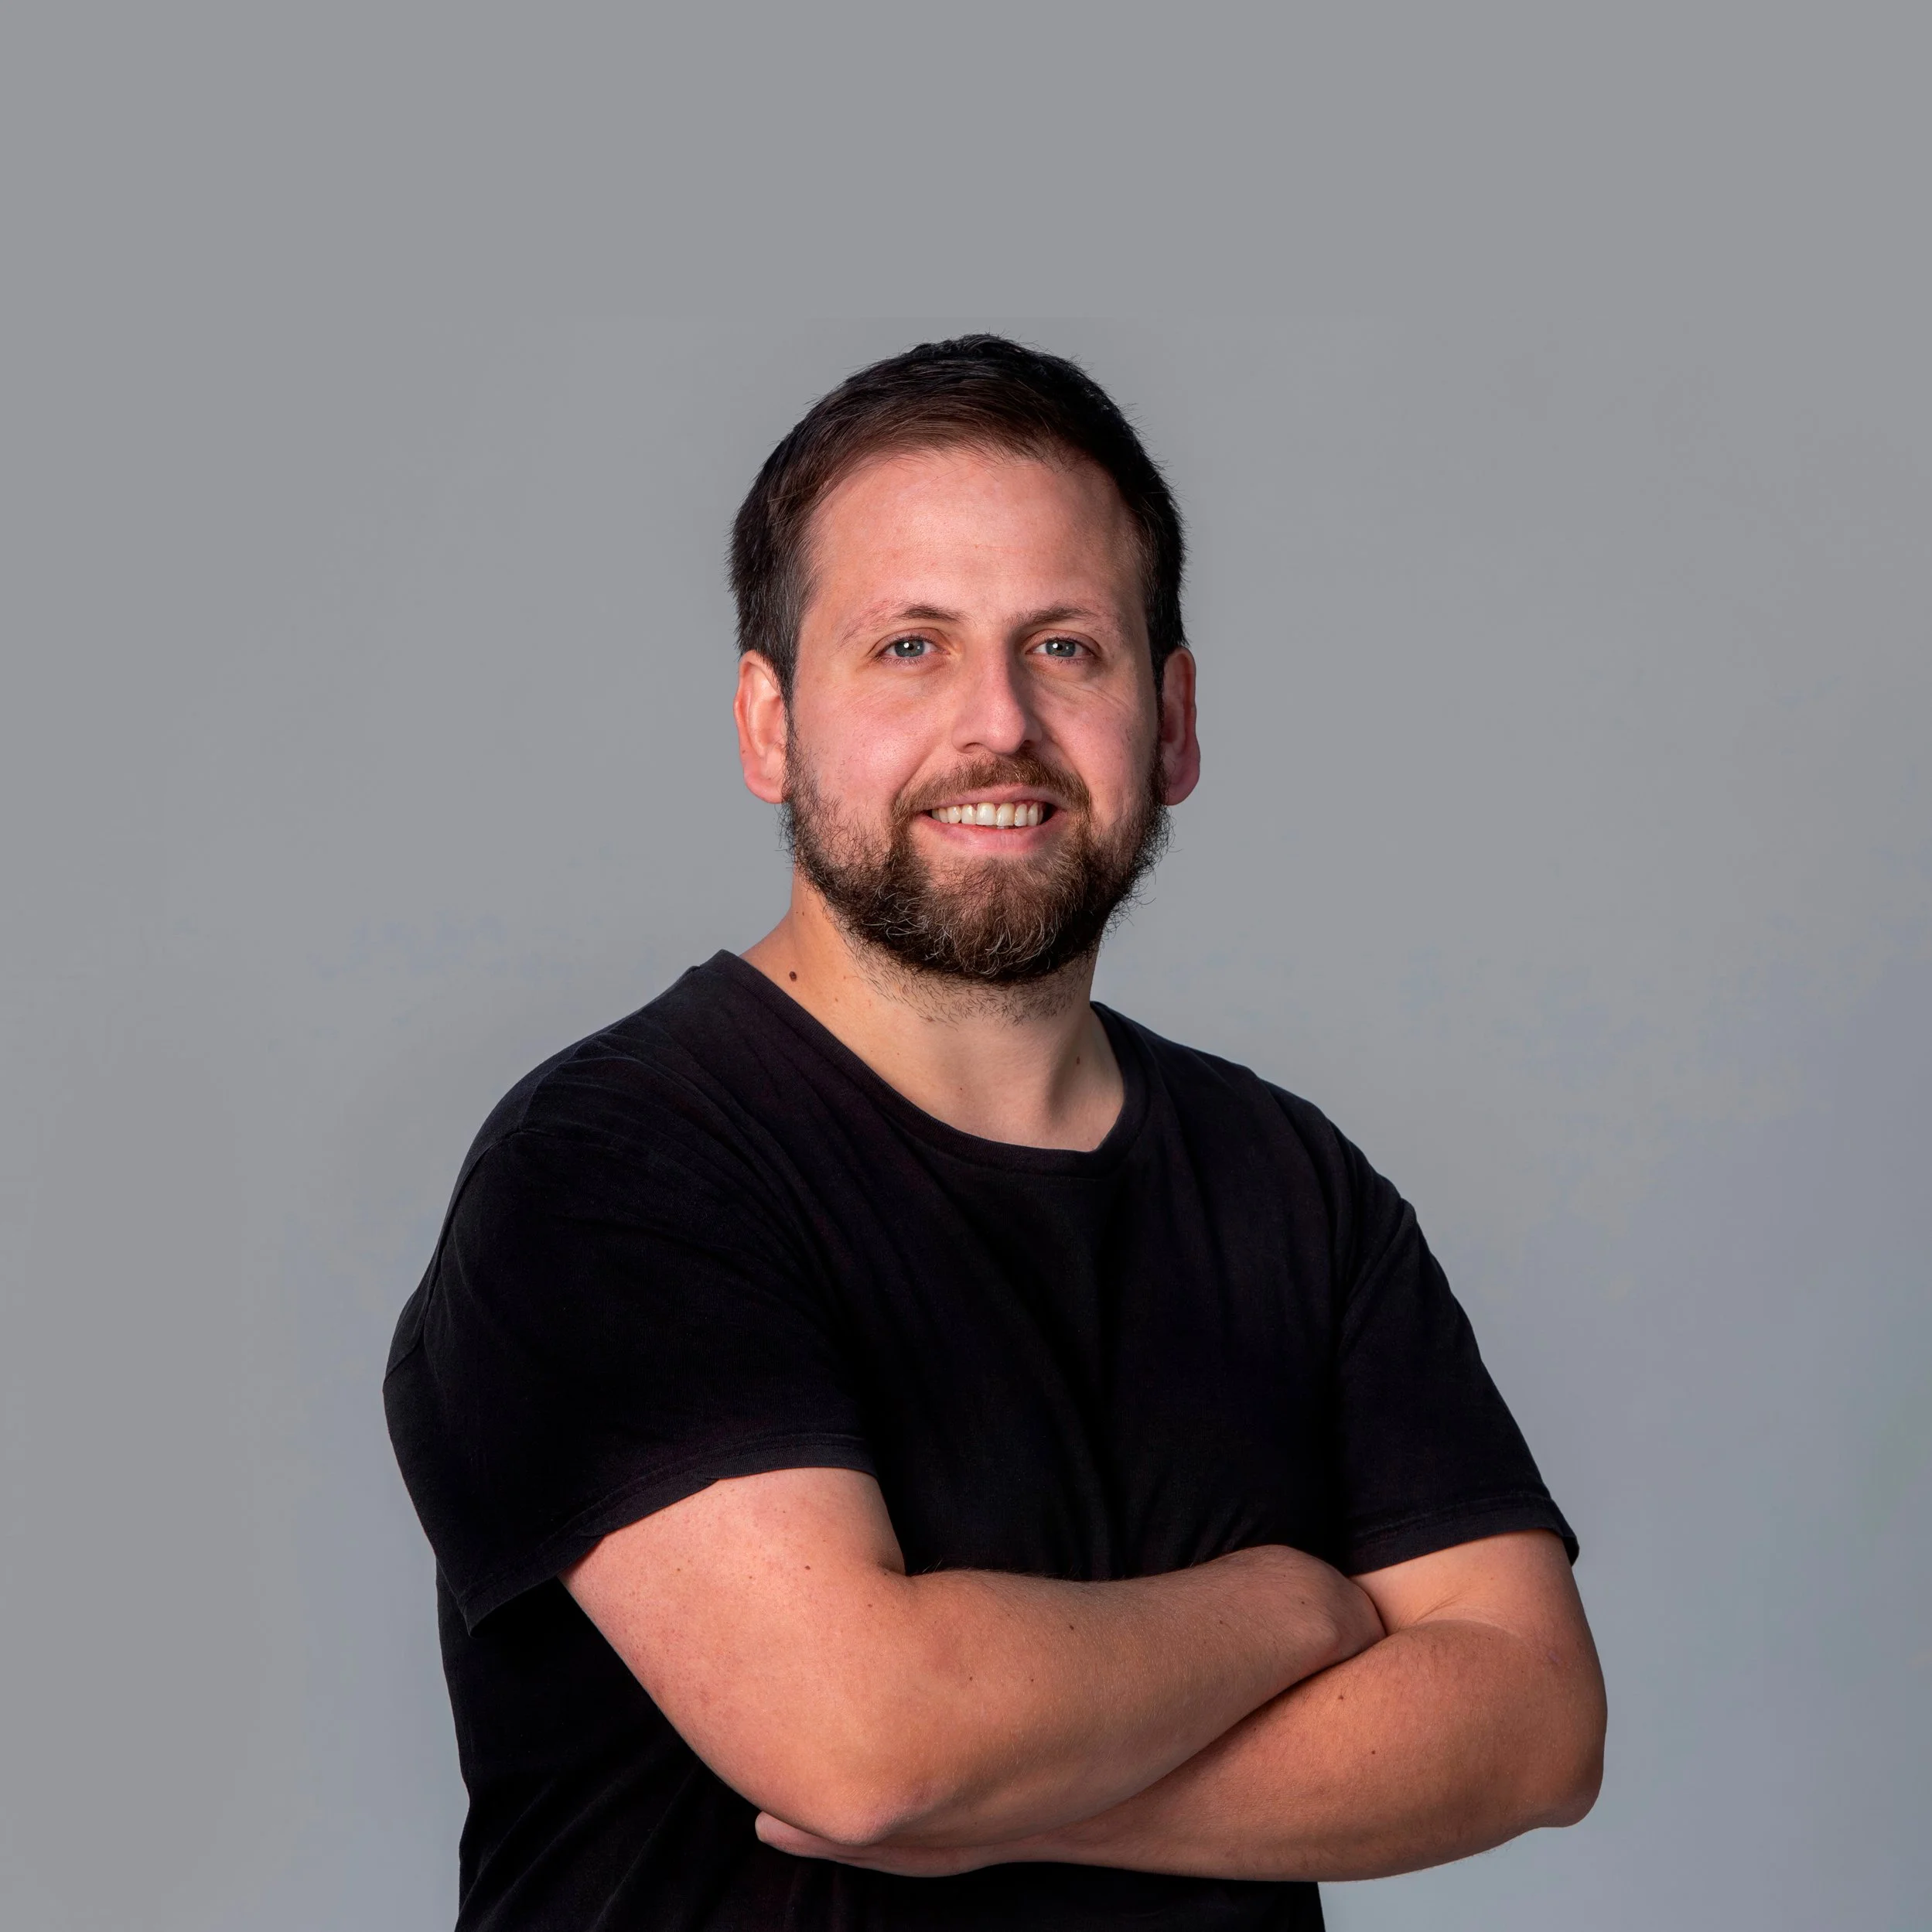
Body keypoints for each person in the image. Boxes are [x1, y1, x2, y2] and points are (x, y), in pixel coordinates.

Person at [384, 335, 1606, 1932]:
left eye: (1068, 647)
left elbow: (1532, 1724)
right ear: (769, 724)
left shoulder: (1292, 1187)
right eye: (907, 646)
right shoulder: (614, 1166)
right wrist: (1284, 1602)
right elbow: (864, 1743)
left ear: (1169, 721)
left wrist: (1016, 1795)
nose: (998, 724)